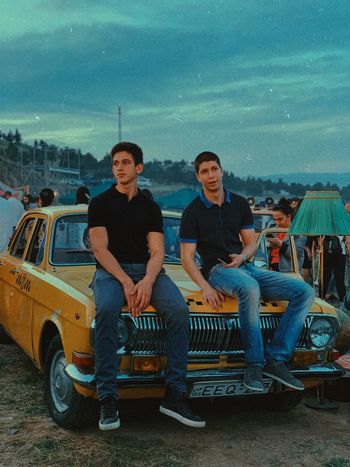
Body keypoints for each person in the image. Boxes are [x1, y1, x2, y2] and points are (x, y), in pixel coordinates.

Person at [88, 142, 205, 431]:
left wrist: (148, 281)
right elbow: (100, 250)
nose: (119, 167)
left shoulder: (151, 207)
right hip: (110, 272)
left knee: (179, 310)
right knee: (106, 309)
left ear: (138, 168)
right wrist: (128, 282)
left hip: (149, 271)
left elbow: (157, 252)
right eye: (115, 163)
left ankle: (174, 395)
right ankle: (108, 399)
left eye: (125, 162)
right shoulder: (99, 203)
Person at [180, 151, 315, 394]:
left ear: (221, 170)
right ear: (198, 177)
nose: (210, 175)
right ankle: (254, 364)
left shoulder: (240, 203)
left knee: (304, 291)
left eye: (214, 169)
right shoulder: (193, 211)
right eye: (204, 171)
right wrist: (206, 287)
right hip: (217, 270)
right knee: (250, 289)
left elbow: (251, 243)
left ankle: (276, 359)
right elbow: (187, 257)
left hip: (246, 266)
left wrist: (243, 256)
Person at [267, 202, 306, 273]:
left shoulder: (299, 233)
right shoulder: (273, 230)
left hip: (288, 271)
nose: (277, 223)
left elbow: (296, 254)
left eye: (280, 219)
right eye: (275, 220)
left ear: (289, 216)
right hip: (271, 269)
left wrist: (280, 244)